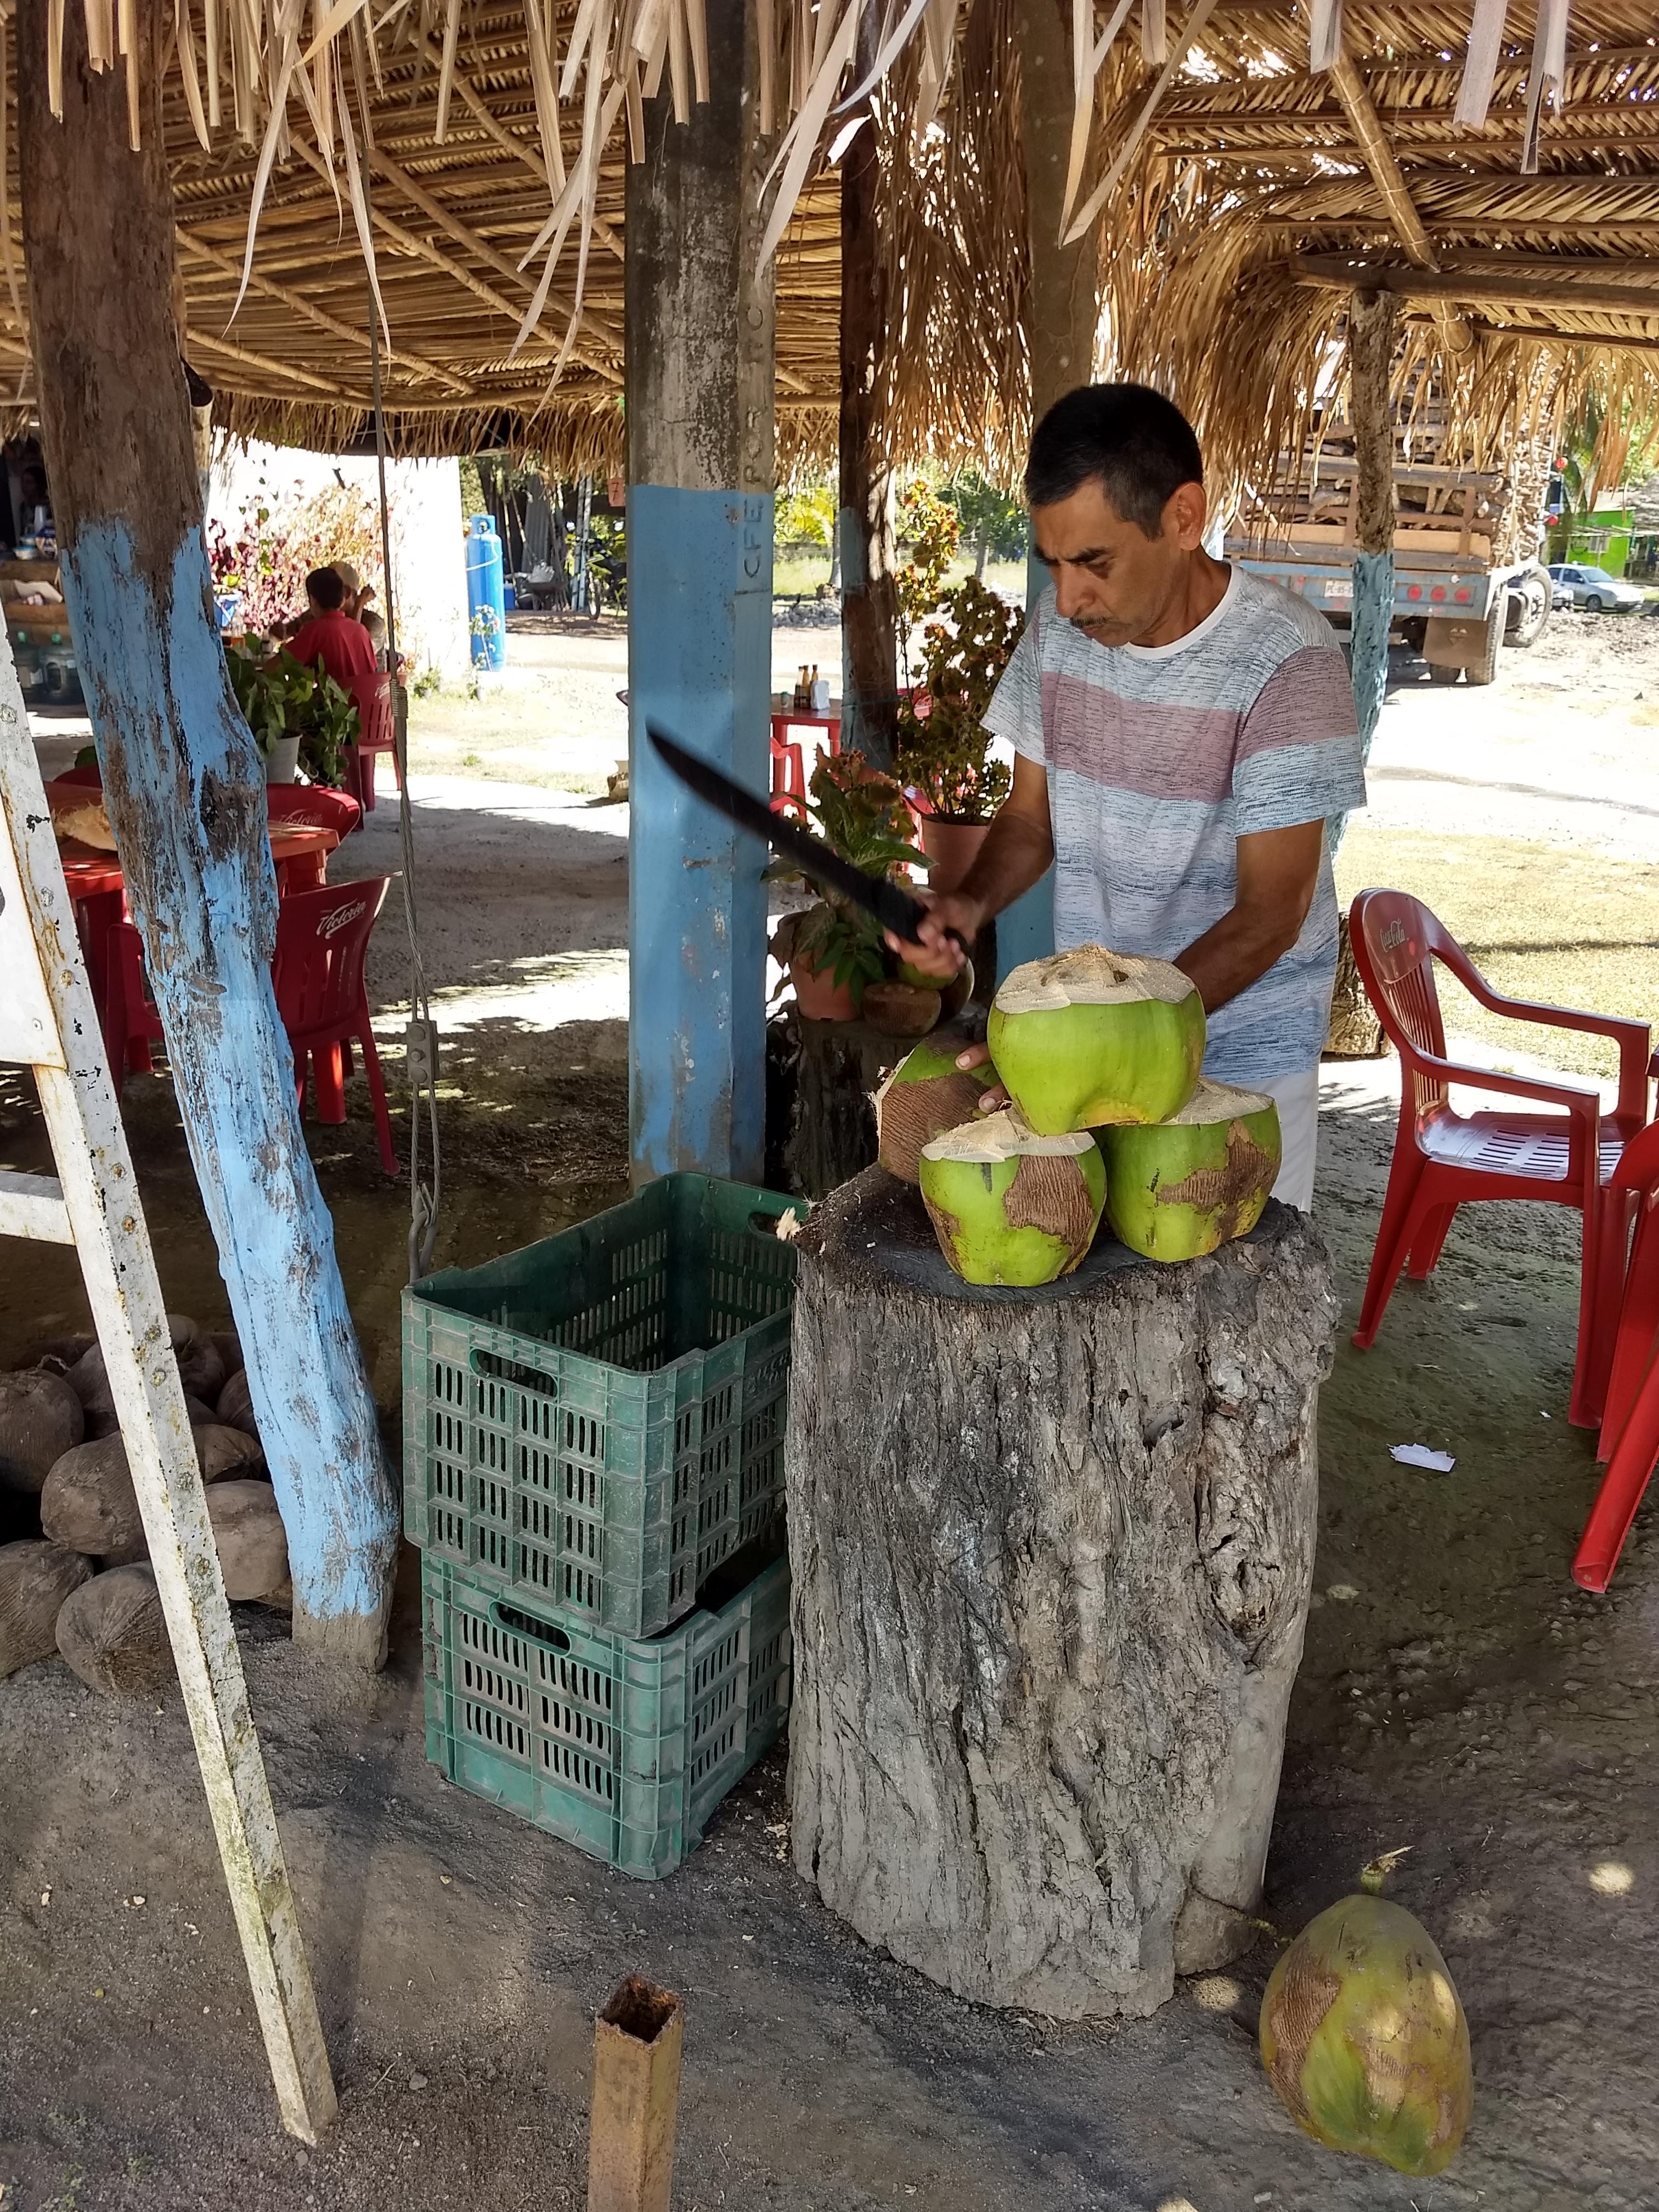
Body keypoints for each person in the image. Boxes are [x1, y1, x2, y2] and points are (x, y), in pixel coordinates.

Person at [893, 382, 1367, 1211]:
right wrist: (969, 902)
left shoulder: (1288, 662)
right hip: (1092, 1054)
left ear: (1184, 518)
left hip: (1239, 1067)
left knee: (1237, 1324)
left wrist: (1101, 1048)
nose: (1068, 597)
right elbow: (1032, 820)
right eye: (1053, 564)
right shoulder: (1060, 634)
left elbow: (1271, 915)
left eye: (1094, 563)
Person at [276, 565, 379, 692]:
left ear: (312, 600)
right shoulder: (362, 631)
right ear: (342, 597)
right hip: (367, 708)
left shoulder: (316, 629)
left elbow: (276, 666)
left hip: (337, 709)